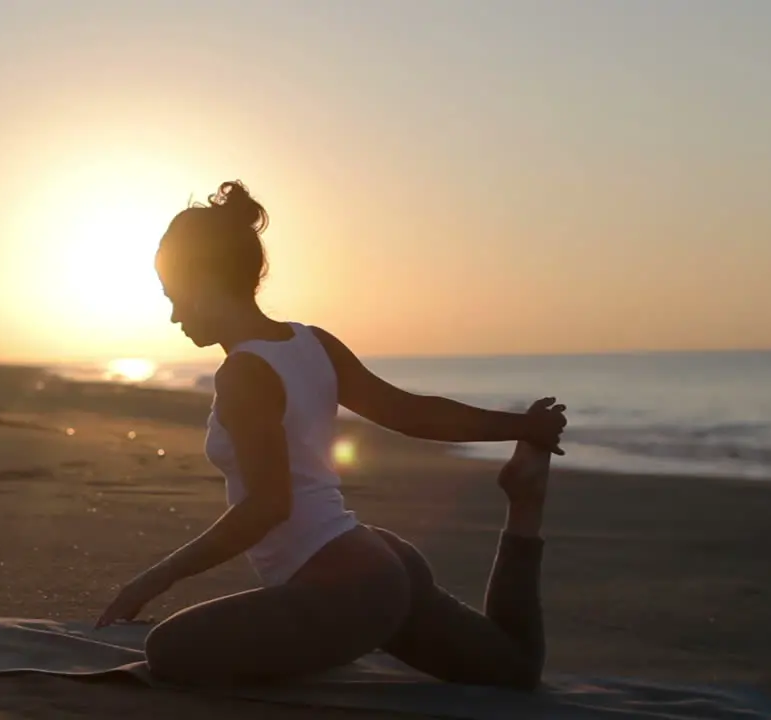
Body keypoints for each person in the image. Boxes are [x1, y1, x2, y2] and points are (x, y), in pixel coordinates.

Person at [95, 180, 567, 691]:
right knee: (513, 670)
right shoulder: (311, 341)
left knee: (169, 650)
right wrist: (519, 426)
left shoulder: (244, 373)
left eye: (175, 297)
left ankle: (330, 639)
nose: (174, 316)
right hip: (380, 563)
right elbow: (408, 412)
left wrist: (155, 578)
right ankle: (524, 506)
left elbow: (268, 505)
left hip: (349, 591)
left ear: (204, 281)